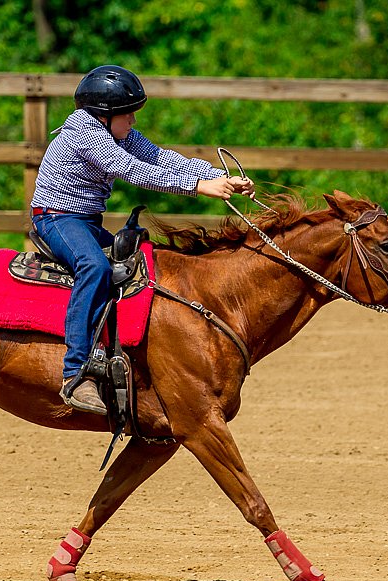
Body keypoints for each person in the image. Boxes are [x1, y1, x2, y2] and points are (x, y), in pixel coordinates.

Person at [30, 65, 254, 415]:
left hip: (86, 220)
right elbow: (132, 170)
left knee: (139, 266)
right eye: (128, 114)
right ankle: (75, 372)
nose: (133, 120)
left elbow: (160, 158)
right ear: (104, 116)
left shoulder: (114, 132)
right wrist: (197, 187)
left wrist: (218, 177)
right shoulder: (86, 135)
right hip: (57, 219)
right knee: (94, 267)